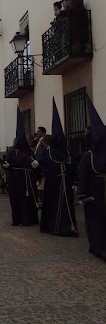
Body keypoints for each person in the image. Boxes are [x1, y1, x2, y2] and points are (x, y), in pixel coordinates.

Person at [38, 99, 78, 237]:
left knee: (65, 206)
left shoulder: (67, 150)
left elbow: (73, 165)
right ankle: (55, 227)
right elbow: (41, 164)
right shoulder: (48, 151)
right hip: (54, 182)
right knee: (54, 205)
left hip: (63, 183)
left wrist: (74, 181)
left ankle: (66, 227)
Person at [77, 95, 106, 259]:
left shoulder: (89, 156)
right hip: (99, 190)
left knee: (95, 220)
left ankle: (98, 247)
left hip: (95, 191)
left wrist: (82, 194)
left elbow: (84, 176)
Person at [3, 108, 40, 226]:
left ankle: (29, 219)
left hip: (27, 179)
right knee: (16, 199)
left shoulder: (29, 151)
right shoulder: (12, 151)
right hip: (15, 179)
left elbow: (34, 163)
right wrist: (6, 165)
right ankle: (18, 219)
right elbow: (7, 163)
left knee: (27, 199)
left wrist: (35, 165)